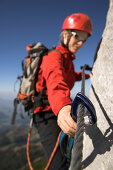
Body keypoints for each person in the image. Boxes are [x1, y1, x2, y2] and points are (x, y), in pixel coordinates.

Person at [33, 13, 92, 170]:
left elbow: (72, 76)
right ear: (65, 34)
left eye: (84, 40)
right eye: (77, 36)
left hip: (59, 108)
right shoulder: (54, 57)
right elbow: (55, 82)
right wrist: (63, 107)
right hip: (46, 114)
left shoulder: (68, 61)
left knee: (68, 153)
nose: (80, 43)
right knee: (57, 165)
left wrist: (89, 75)